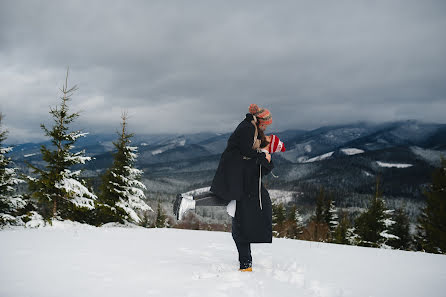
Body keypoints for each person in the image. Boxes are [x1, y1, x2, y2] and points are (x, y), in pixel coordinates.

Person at [173, 104, 284, 272]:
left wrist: (265, 153)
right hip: (238, 180)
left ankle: (189, 202)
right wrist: (264, 155)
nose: (266, 128)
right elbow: (250, 152)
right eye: (266, 124)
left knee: (222, 197)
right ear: (260, 120)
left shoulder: (250, 130)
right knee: (224, 200)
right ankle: (189, 203)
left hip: (236, 178)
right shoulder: (249, 129)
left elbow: (254, 152)